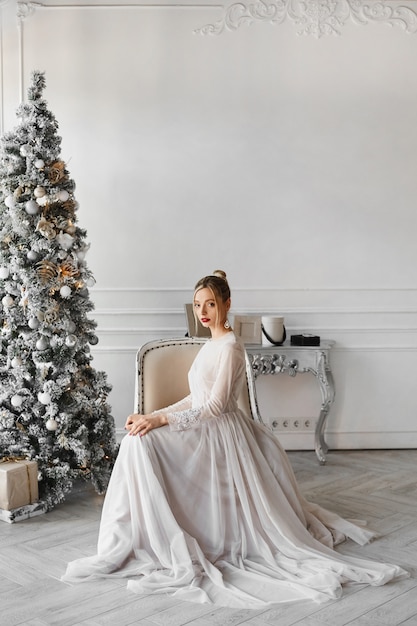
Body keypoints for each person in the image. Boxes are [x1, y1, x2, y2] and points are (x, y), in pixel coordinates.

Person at [62, 270, 408, 608]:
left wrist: (162, 419)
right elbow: (194, 397)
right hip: (199, 426)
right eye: (198, 305)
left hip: (219, 434)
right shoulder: (211, 344)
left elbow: (214, 406)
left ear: (227, 304)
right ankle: (132, 539)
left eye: (210, 304)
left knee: (138, 443)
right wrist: (153, 417)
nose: (203, 312)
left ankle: (156, 537)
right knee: (136, 440)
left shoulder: (230, 347)